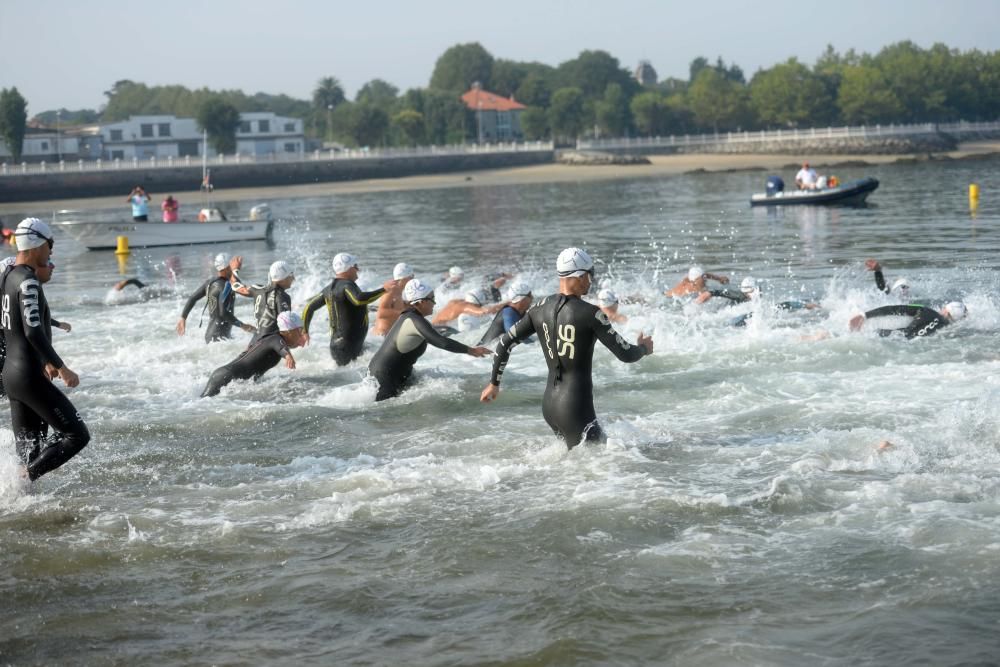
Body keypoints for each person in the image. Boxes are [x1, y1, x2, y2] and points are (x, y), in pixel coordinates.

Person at [481, 248, 654, 449]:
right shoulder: (591, 314)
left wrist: (494, 383)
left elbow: (504, 343)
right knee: (600, 469)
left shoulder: (538, 308)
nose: (591, 281)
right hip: (574, 407)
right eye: (590, 275)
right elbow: (626, 355)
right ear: (579, 276)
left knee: (574, 470)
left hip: (549, 405)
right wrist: (643, 349)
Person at [2, 218, 89, 481]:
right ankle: (24, 478)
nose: (51, 251)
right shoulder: (27, 281)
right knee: (77, 435)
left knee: (29, 451)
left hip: (12, 375)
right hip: (28, 376)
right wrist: (61, 367)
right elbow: (32, 332)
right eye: (50, 244)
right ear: (37, 243)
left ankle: (15, 501)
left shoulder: (7, 276)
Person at [369, 279, 491, 401]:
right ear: (421, 302)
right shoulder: (414, 320)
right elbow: (441, 342)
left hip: (392, 374)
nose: (435, 302)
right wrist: (471, 351)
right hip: (384, 378)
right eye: (432, 298)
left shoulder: (410, 316)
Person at [301, 252, 395, 366]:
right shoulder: (346, 286)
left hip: (340, 345)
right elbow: (359, 300)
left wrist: (304, 331)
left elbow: (308, 307)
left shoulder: (329, 289)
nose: (358, 269)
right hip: (347, 347)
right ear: (348, 268)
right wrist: (383, 290)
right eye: (355, 266)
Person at [201, 311, 306, 397]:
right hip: (226, 377)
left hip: (225, 377)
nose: (301, 334)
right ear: (288, 331)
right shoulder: (275, 338)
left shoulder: (268, 338)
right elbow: (280, 345)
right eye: (299, 330)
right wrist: (288, 355)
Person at [176, 253, 255, 343]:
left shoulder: (210, 282)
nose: (234, 267)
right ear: (227, 267)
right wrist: (243, 326)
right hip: (219, 338)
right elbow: (223, 313)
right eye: (232, 265)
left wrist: (183, 318)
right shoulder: (226, 286)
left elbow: (192, 298)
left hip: (211, 336)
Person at [232, 260, 295, 345]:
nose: (293, 278)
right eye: (291, 275)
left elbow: (235, 286)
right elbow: (286, 330)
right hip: (270, 346)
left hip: (254, 342)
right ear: (282, 279)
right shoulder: (283, 297)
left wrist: (234, 270)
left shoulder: (257, 289)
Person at [848, 302, 967, 339]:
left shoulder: (926, 311)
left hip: (893, 337)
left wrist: (865, 315)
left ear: (946, 311)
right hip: (905, 343)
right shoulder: (947, 330)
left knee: (851, 338)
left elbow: (895, 309)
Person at [477, 281, 534, 346]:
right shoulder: (509, 313)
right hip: (485, 352)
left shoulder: (521, 311)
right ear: (521, 299)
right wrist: (536, 345)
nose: (532, 297)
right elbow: (513, 335)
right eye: (529, 295)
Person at [431, 288, 505, 329]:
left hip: (433, 326)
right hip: (439, 329)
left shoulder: (456, 302)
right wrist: (507, 303)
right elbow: (484, 311)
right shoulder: (465, 307)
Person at [373, 262, 415, 336]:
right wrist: (404, 313)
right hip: (381, 335)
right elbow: (381, 313)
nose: (413, 280)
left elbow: (396, 308)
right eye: (411, 277)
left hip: (389, 334)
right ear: (404, 278)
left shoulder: (399, 291)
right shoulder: (391, 290)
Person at [664, 265, 729, 297]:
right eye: (703, 279)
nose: (705, 280)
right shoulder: (694, 287)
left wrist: (719, 278)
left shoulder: (688, 279)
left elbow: (705, 275)